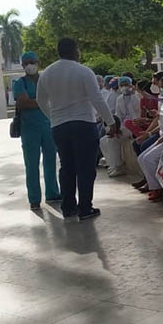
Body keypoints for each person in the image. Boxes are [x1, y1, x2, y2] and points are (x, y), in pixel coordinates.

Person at [36, 38, 118, 221]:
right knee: (86, 168)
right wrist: (110, 121)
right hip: (83, 123)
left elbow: (40, 100)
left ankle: (68, 207)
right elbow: (97, 99)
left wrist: (53, 117)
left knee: (67, 167)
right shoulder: (83, 71)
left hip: (59, 126)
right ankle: (85, 208)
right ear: (74, 50)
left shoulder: (47, 73)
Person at [13, 52, 61, 210]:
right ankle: (34, 198)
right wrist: (43, 101)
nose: (29, 65)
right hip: (29, 129)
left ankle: (53, 193)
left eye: (32, 62)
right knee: (31, 164)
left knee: (50, 161)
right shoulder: (19, 83)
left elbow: (54, 100)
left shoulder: (47, 80)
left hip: (49, 126)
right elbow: (23, 103)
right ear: (22, 66)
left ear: (38, 62)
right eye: (26, 63)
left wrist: (34, 101)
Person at [99, 76, 140, 177]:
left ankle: (119, 166)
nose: (124, 87)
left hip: (134, 125)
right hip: (123, 126)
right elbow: (118, 115)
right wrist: (117, 129)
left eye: (126, 85)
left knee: (112, 140)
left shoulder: (137, 97)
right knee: (105, 140)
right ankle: (114, 165)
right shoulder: (119, 98)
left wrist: (132, 96)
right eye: (122, 85)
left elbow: (136, 114)